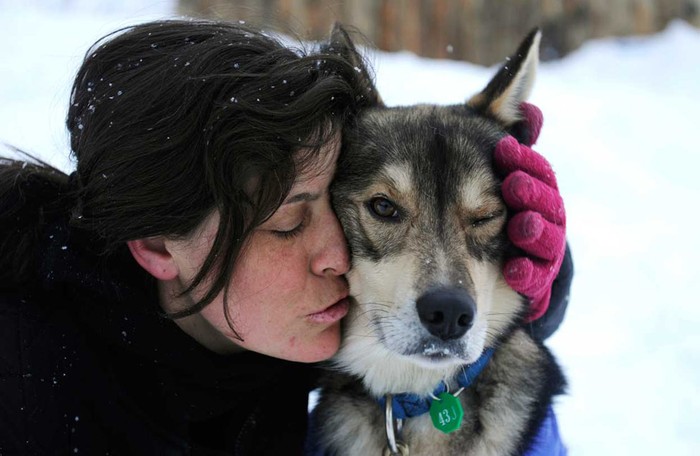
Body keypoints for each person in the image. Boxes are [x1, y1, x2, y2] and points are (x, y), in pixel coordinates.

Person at [0, 19, 571, 455]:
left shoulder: (272, 332)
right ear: (156, 246)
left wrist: (533, 274)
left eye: (331, 207)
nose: (335, 255)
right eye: (288, 222)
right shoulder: (40, 402)